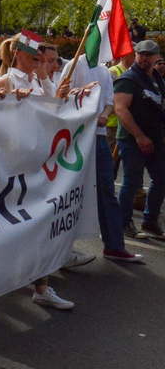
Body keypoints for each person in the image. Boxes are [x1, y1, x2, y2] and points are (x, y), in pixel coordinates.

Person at [0, 35, 73, 309]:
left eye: (40, 55)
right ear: (17, 54)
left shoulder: (37, 82)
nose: (38, 59)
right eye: (33, 54)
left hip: (36, 163)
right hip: (13, 166)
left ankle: (41, 286)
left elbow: (51, 114)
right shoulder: (6, 81)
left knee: (37, 223)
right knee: (8, 225)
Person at [58, 55, 143, 262]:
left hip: (98, 139)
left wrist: (105, 114)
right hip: (76, 137)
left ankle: (114, 246)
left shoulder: (105, 70)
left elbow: (108, 101)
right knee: (66, 193)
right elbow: (60, 98)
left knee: (106, 190)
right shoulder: (75, 64)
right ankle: (61, 249)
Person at [113, 39, 165, 240]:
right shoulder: (129, 78)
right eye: (140, 54)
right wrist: (139, 136)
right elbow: (120, 109)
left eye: (149, 55)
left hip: (155, 139)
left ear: (156, 57)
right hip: (132, 139)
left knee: (161, 179)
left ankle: (150, 221)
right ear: (135, 55)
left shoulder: (156, 79)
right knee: (132, 183)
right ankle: (124, 223)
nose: (144, 58)